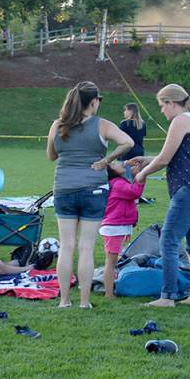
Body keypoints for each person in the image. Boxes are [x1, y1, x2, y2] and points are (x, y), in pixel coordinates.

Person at [46, 81, 134, 308]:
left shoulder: (58, 125)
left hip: (64, 188)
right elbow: (128, 142)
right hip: (93, 190)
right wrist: (106, 160)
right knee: (86, 246)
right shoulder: (102, 125)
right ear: (94, 102)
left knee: (66, 246)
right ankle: (84, 302)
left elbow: (51, 156)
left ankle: (64, 301)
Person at [130, 84, 190, 307]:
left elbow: (166, 159)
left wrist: (142, 174)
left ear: (171, 103)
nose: (162, 111)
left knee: (168, 241)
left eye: (162, 106)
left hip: (188, 192)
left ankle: (167, 297)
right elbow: (177, 156)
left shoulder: (181, 120)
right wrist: (147, 160)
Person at [100, 161, 145, 298]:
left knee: (114, 259)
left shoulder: (117, 181)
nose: (119, 162)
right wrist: (141, 177)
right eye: (114, 163)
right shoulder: (118, 183)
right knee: (111, 262)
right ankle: (108, 293)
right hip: (114, 228)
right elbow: (134, 192)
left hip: (116, 227)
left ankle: (112, 285)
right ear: (111, 171)